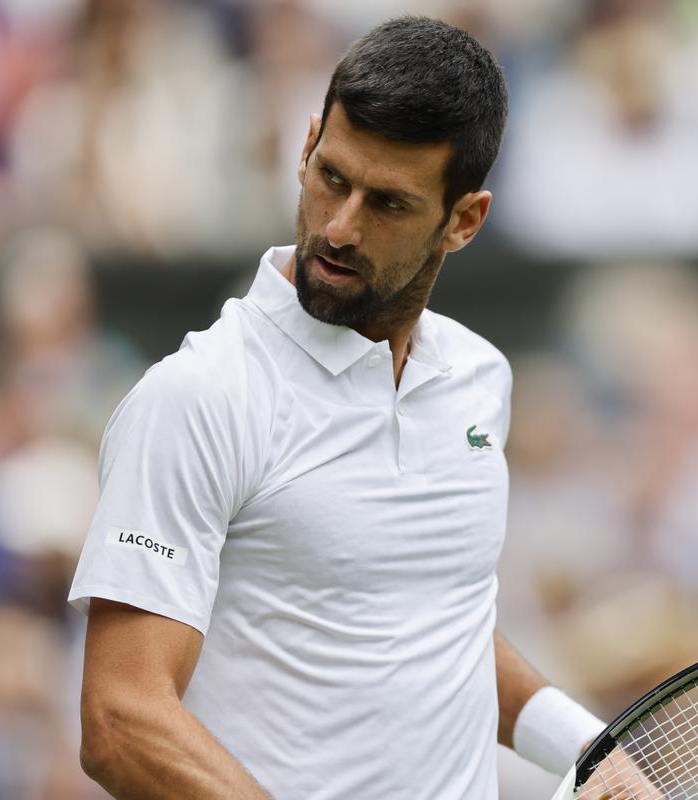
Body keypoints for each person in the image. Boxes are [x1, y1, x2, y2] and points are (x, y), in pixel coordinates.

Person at [67, 17, 625, 799]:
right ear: (305, 146)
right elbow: (121, 719)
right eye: (332, 176)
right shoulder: (196, 399)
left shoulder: (478, 378)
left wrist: (585, 746)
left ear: (464, 221)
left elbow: (432, 615)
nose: (338, 227)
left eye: (388, 204)